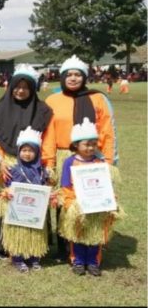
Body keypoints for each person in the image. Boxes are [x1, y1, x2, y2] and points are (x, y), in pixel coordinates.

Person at [41, 55, 118, 261]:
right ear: (62, 76)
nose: (73, 78)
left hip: (92, 157)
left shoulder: (98, 99)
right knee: (63, 203)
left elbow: (107, 132)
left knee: (90, 201)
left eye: (78, 75)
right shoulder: (52, 100)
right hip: (63, 155)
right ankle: (64, 248)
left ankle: (90, 245)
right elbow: (48, 133)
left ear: (84, 77)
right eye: (69, 74)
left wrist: (108, 162)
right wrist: (49, 162)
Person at [0, 64, 53, 256]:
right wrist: (0, 160)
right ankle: (3, 245)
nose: (21, 91)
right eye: (17, 86)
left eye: (26, 87)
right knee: (4, 202)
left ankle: (33, 246)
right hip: (5, 162)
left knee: (32, 202)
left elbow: (48, 139)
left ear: (32, 89)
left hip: (34, 164)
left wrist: (44, 165)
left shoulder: (43, 111)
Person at [57, 118, 123, 277]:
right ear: (76, 145)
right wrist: (71, 203)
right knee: (78, 234)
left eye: (94, 144)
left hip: (96, 206)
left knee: (95, 235)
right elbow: (65, 184)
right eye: (87, 144)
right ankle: (78, 261)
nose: (91, 147)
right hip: (77, 205)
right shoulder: (69, 162)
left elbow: (105, 183)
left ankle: (93, 262)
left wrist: (109, 199)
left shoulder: (99, 161)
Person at [0, 126, 50, 273]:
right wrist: (7, 193)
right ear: (19, 151)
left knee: (34, 233)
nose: (27, 154)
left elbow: (45, 185)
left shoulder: (41, 170)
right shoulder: (13, 169)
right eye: (24, 150)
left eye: (31, 150)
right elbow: (6, 187)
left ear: (37, 152)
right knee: (18, 233)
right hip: (18, 210)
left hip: (35, 211)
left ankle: (34, 257)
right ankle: (18, 259)